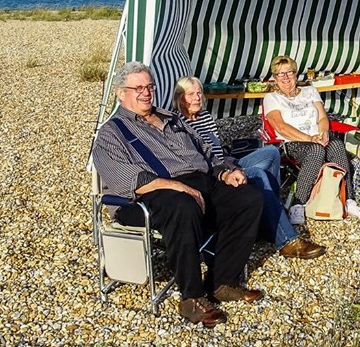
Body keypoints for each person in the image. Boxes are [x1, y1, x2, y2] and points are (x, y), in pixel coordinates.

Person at [92, 62, 262, 328]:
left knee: (248, 198)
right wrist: (177, 186)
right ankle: (191, 298)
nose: (146, 93)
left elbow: (206, 150)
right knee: (182, 206)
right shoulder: (111, 133)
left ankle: (222, 282)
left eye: (149, 86)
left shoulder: (172, 119)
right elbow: (125, 178)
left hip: (198, 182)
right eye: (138, 88)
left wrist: (225, 172)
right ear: (120, 93)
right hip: (147, 194)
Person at [172, 76, 326, 259]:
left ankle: (272, 216)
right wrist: (227, 169)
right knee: (259, 175)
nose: (197, 97)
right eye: (191, 94)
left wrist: (229, 161)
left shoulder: (205, 116)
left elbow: (217, 149)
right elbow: (198, 160)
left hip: (226, 162)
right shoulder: (178, 124)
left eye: (199, 93)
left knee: (271, 152)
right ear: (180, 97)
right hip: (214, 173)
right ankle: (286, 240)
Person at [261, 55, 360, 226]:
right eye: (280, 74)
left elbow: (323, 118)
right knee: (316, 150)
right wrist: (310, 139)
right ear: (275, 78)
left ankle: (348, 199)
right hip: (292, 142)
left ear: (296, 74)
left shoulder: (310, 91)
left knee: (337, 145)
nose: (285, 77)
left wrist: (324, 133)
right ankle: (298, 203)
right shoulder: (272, 98)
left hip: (317, 138)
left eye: (289, 73)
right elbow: (280, 126)